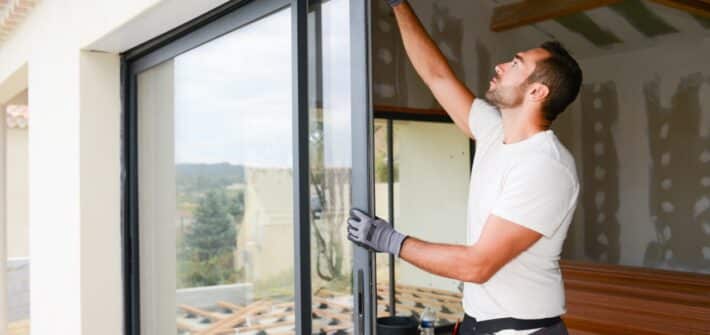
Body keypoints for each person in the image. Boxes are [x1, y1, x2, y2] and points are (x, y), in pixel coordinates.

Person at [346, 0, 583, 334]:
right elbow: (436, 75)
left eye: (516, 64)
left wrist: (389, 240)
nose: (501, 65)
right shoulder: (494, 132)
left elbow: (478, 265)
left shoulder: (546, 166)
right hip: (479, 323)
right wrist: (398, 4)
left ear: (537, 91)